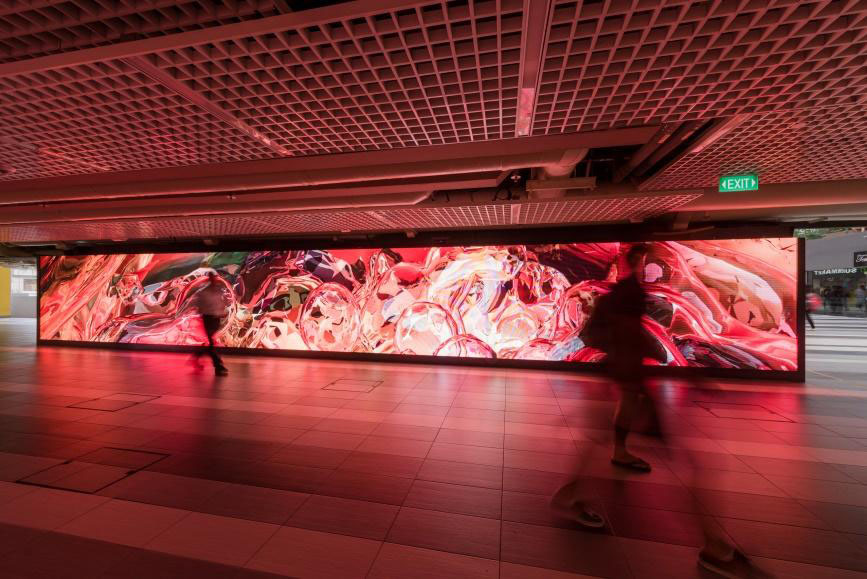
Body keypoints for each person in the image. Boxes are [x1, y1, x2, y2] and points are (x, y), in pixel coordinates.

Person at [194, 272, 229, 376]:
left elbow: (223, 303)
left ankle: (198, 355)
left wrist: (222, 312)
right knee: (211, 343)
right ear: (209, 278)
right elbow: (199, 307)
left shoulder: (219, 290)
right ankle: (218, 366)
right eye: (212, 277)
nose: (214, 279)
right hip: (208, 318)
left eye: (215, 277)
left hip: (216, 319)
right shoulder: (204, 292)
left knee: (211, 344)